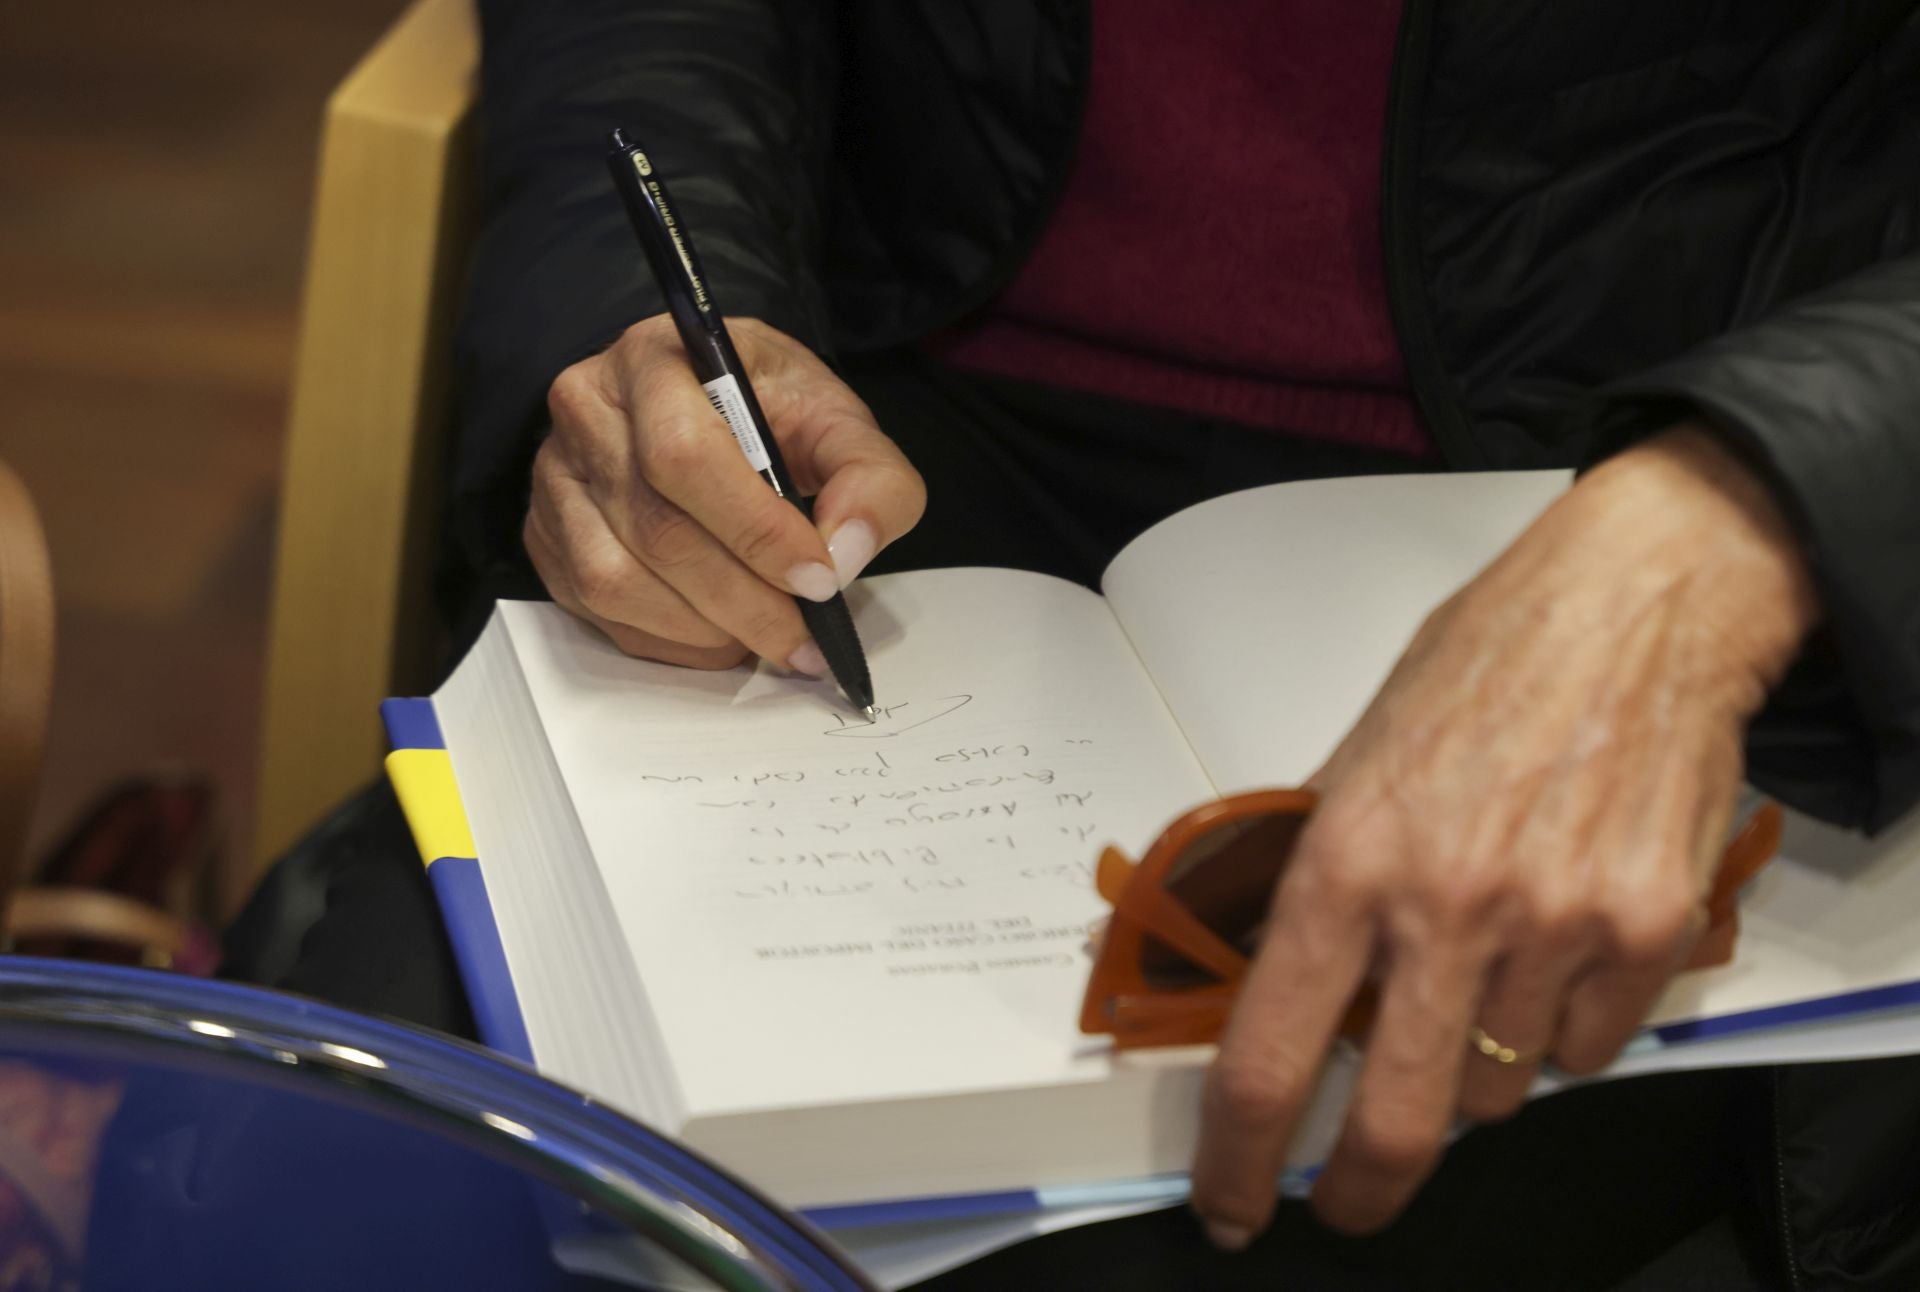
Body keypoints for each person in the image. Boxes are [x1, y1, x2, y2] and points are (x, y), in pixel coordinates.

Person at [228, 2, 1920, 1286]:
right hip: (875, 406)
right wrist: (652, 315)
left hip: (1716, 469)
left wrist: (1746, 520)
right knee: (335, 1152)